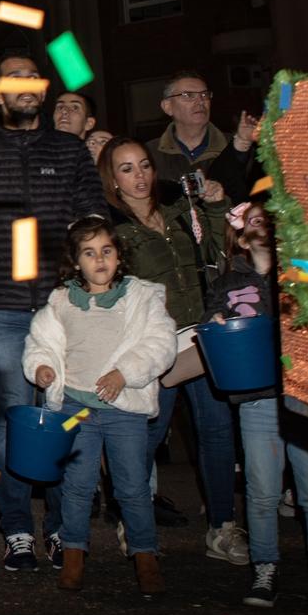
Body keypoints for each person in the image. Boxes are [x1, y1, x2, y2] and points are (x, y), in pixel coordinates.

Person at [0, 51, 106, 574]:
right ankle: (17, 530)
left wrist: (90, 292)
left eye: (33, 77)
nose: (26, 85)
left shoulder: (70, 150)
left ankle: (62, 527)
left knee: (63, 415)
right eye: (14, 78)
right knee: (14, 418)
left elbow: (93, 219)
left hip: (63, 306)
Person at [101, 135, 246, 563]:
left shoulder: (181, 214)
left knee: (216, 433)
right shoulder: (113, 228)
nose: (139, 176)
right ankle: (135, 522)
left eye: (144, 165)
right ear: (112, 179)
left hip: (200, 339)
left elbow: (220, 252)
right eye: (126, 169)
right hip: (151, 347)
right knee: (147, 436)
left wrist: (217, 206)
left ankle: (222, 527)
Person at [24, 218, 175, 597]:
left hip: (124, 408)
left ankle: (145, 556)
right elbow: (42, 341)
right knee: (77, 485)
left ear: (118, 255)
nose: (100, 260)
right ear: (76, 262)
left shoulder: (140, 296)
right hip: (77, 407)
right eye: (89, 254)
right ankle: (74, 553)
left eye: (107, 251)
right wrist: (42, 367)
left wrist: (126, 373)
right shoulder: (61, 301)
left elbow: (160, 342)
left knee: (132, 487)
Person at [217, 201, 308, 612]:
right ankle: (264, 568)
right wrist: (215, 323)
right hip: (257, 399)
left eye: (269, 220)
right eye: (253, 220)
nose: (262, 225)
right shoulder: (229, 282)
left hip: (305, 401)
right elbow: (211, 322)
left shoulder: (302, 269)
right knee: (262, 491)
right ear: (238, 234)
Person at [148, 70, 260, 203]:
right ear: (167, 107)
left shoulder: (237, 147)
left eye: (204, 95)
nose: (200, 101)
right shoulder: (149, 154)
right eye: (188, 95)